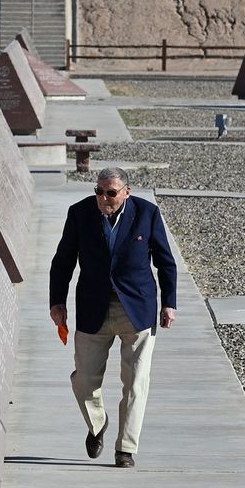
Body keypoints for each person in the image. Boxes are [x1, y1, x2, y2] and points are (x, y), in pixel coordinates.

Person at [48, 166, 177, 468]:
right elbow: (63, 261)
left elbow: (165, 262)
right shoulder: (79, 213)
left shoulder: (147, 213)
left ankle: (125, 449)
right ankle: (98, 423)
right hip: (94, 308)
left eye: (111, 192)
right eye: (99, 191)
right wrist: (57, 302)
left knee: (136, 383)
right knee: (84, 379)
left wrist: (169, 303)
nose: (104, 198)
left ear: (126, 192)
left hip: (137, 309)